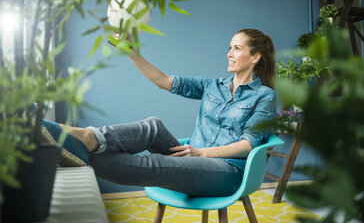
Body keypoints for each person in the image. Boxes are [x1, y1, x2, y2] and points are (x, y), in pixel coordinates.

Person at [43, 28, 276, 197]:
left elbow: (248, 144)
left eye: (237, 48)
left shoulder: (264, 96)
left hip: (227, 172)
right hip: (191, 156)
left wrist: (203, 153)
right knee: (153, 126)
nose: (229, 53)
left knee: (155, 164)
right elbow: (164, 81)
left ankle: (74, 148)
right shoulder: (213, 85)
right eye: (229, 47)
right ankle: (88, 138)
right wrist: (131, 53)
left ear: (255, 57)